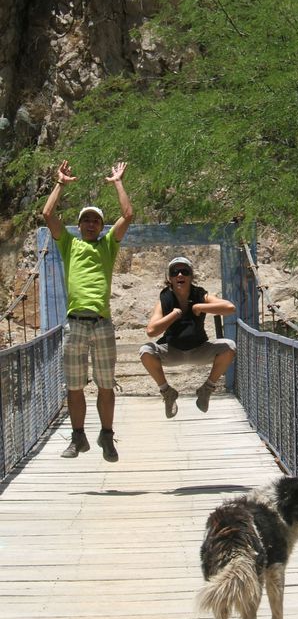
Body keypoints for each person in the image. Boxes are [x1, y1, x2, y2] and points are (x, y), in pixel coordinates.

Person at [42, 159, 133, 462]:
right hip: (75, 325)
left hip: (101, 323)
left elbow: (128, 215)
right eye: (86, 220)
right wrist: (60, 184)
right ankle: (78, 437)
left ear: (101, 226)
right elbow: (46, 214)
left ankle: (106, 436)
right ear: (79, 225)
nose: (91, 224)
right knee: (74, 386)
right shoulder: (68, 245)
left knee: (106, 384)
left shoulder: (108, 245)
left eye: (95, 220)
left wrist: (118, 181)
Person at [139, 256, 236, 417]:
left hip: (199, 349)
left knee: (229, 347)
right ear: (169, 278)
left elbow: (230, 308)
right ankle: (167, 392)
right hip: (172, 351)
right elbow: (151, 331)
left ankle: (206, 389)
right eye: (175, 272)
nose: (180, 275)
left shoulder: (200, 295)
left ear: (191, 276)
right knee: (145, 351)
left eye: (185, 271)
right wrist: (173, 315)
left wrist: (200, 307)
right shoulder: (164, 299)